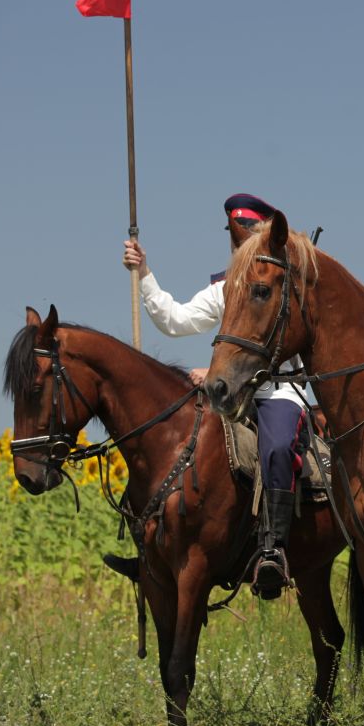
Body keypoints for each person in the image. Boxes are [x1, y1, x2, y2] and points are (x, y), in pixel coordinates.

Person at [122, 193, 307, 599]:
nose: (237, 239)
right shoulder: (224, 289)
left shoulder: (286, 278)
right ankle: (152, 541)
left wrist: (218, 372)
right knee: (172, 444)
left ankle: (272, 548)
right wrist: (145, 272)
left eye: (246, 231)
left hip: (277, 391)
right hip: (230, 396)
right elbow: (175, 320)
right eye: (233, 232)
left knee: (276, 449)